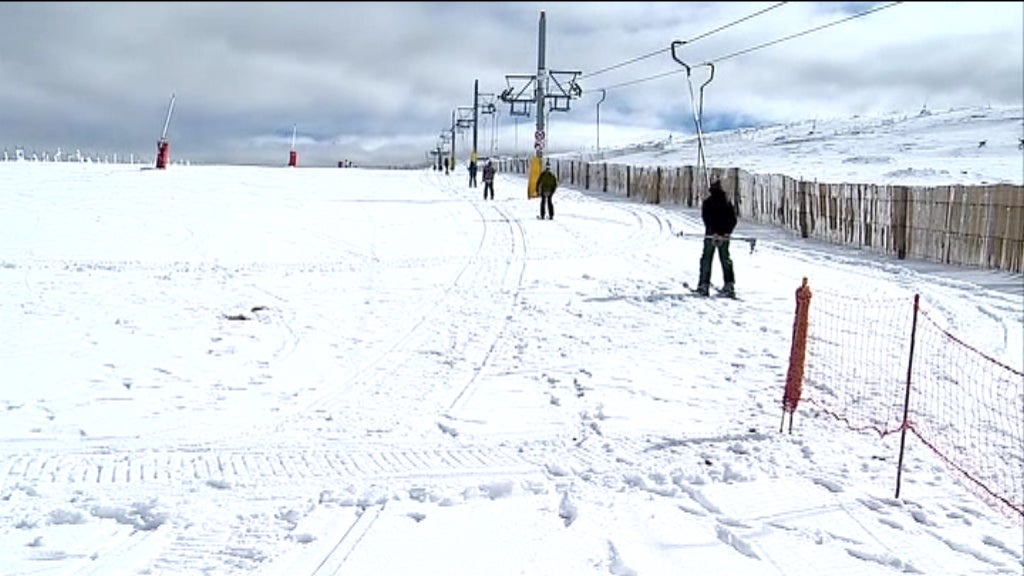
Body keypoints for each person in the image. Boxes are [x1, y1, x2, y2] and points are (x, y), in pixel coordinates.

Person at [696, 179, 738, 297]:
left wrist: (714, 232)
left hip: (711, 236)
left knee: (706, 259)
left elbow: (707, 220)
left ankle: (704, 284)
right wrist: (726, 233)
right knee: (725, 259)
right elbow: (733, 219)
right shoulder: (727, 202)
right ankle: (729, 284)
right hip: (723, 237)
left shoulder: (708, 203)